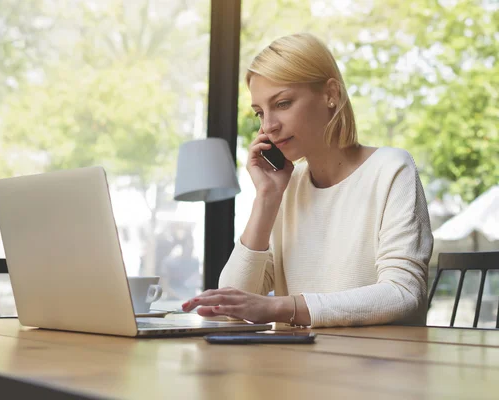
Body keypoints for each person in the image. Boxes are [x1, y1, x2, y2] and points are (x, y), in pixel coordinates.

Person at [181, 33, 433, 328]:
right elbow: (232, 304)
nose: (269, 126)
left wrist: (283, 308)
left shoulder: (391, 169)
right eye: (260, 113)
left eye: (283, 103)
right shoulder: (287, 186)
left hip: (376, 365)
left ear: (331, 94)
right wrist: (266, 198)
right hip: (299, 365)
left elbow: (403, 294)